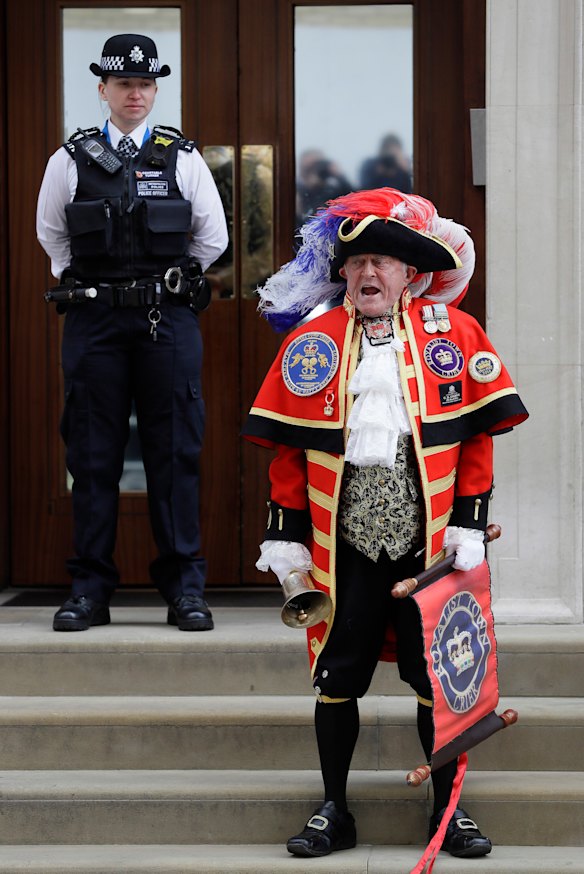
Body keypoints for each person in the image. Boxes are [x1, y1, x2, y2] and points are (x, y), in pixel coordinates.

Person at [243, 187, 528, 859]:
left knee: (441, 680)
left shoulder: (453, 335)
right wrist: (284, 535)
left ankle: (446, 813)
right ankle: (334, 809)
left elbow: (477, 439)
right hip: (342, 551)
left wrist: (469, 521)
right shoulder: (313, 341)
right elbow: (289, 450)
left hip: (431, 547)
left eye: (385, 261)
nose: (371, 274)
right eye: (359, 261)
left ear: (410, 271)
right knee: (338, 676)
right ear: (342, 271)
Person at [36, 34, 228, 632]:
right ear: (104, 90)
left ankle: (184, 590)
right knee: (93, 458)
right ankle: (89, 591)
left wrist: (159, 283)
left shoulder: (183, 158)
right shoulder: (68, 160)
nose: (136, 93)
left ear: (155, 90)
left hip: (165, 319)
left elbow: (211, 238)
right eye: (124, 84)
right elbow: (53, 237)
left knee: (175, 455)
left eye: (145, 84)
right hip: (94, 321)